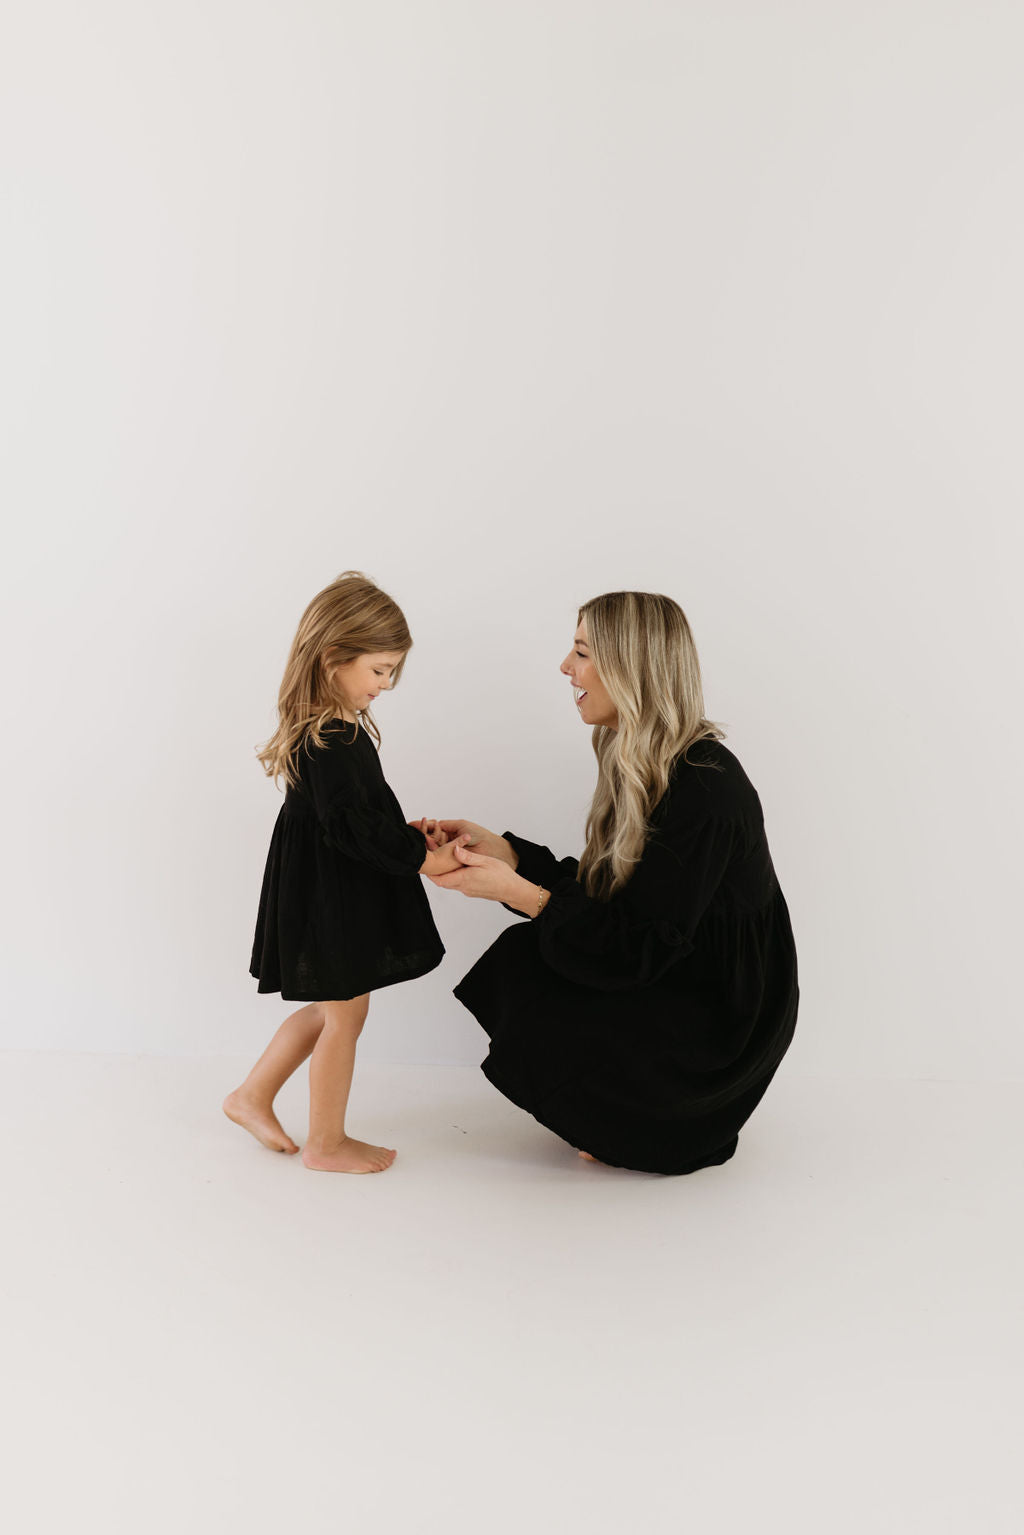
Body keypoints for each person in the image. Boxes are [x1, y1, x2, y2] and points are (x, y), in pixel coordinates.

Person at [423, 589, 799, 1175]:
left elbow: (638, 946)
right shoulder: (645, 758)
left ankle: (656, 1125)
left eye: (581, 652)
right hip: (677, 971)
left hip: (719, 1026)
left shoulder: (704, 786)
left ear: (630, 666)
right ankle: (624, 1115)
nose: (566, 668)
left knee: (532, 967)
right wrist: (510, 856)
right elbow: (617, 902)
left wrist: (518, 892)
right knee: (529, 961)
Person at [224, 571, 472, 1174]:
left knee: (329, 1007)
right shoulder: (328, 738)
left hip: (332, 882)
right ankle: (326, 1143)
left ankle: (250, 1096)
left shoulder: (333, 727)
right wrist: (419, 858)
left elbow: (359, 817)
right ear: (335, 657)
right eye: (380, 670)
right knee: (345, 1014)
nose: (386, 685)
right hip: (328, 890)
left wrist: (407, 836)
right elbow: (351, 829)